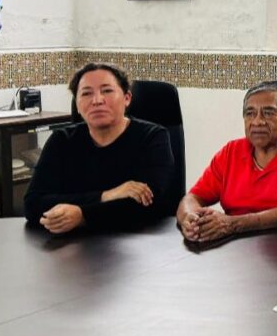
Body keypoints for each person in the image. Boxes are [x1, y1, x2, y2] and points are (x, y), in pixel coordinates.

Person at [24, 63, 174, 233]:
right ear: (77, 105)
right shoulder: (62, 140)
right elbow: (33, 203)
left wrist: (83, 216)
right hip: (72, 243)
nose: (97, 100)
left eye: (107, 91)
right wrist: (107, 195)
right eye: (86, 93)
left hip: (137, 240)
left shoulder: (152, 137)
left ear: (127, 98)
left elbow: (148, 204)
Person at [176, 81, 277, 242]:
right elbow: (193, 198)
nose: (257, 121)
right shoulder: (231, 152)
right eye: (250, 113)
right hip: (237, 246)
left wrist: (233, 224)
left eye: (268, 113)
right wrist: (189, 218)